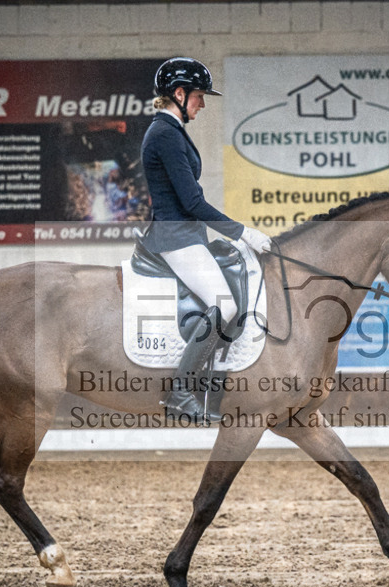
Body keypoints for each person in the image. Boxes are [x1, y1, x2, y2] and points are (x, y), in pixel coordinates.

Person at [140, 57, 271, 421]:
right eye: (198, 96)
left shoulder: (172, 131)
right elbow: (192, 202)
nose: (202, 103)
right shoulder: (165, 134)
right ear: (179, 94)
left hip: (187, 235)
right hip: (175, 237)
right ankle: (181, 394)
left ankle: (210, 384)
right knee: (226, 306)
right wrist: (243, 232)